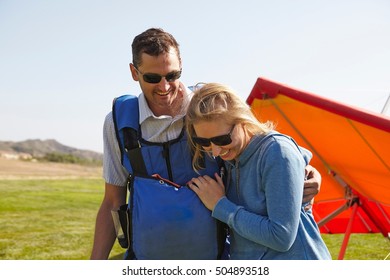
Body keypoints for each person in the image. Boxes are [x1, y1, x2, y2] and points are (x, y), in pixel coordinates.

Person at [90, 27, 322, 260]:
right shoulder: (118, 122)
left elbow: (260, 141)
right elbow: (113, 200)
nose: (164, 87)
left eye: (172, 75)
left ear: (181, 65)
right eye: (152, 78)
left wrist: (306, 167)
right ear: (134, 72)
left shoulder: (212, 105)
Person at [185, 83, 331, 260]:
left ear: (243, 121)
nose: (215, 151)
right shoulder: (230, 156)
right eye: (204, 142)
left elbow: (281, 237)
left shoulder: (276, 153)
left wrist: (220, 206)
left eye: (222, 139)